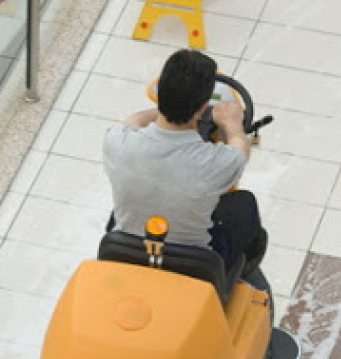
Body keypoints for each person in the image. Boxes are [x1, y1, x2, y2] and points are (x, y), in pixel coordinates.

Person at [103, 48, 266, 276]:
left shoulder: (116, 142)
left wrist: (168, 106)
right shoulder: (216, 163)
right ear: (202, 107)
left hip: (128, 247)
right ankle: (241, 275)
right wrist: (231, 122)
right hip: (194, 260)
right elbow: (240, 148)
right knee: (244, 203)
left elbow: (135, 120)